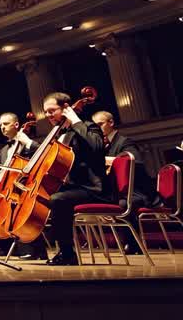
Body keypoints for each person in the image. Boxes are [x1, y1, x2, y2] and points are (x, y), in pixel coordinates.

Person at [38, 93, 105, 265]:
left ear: (66, 108)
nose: (48, 115)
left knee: (58, 200)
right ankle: (34, 249)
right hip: (72, 188)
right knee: (39, 198)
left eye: (52, 111)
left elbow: (97, 147)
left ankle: (67, 253)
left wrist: (76, 121)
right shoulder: (61, 134)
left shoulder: (89, 127)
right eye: (45, 112)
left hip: (92, 189)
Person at [91, 110, 151, 254]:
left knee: (122, 204)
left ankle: (134, 244)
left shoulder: (125, 141)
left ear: (111, 123)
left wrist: (106, 161)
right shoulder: (103, 146)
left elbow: (134, 162)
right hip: (116, 191)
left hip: (135, 191)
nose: (97, 129)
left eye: (100, 124)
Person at [0, 112, 45, 261]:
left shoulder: (26, 143)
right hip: (11, 189)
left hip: (26, 188)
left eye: (5, 124)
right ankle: (6, 246)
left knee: (19, 210)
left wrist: (27, 142)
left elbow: (41, 152)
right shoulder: (6, 149)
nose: (2, 127)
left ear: (16, 125)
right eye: (0, 125)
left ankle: (34, 248)